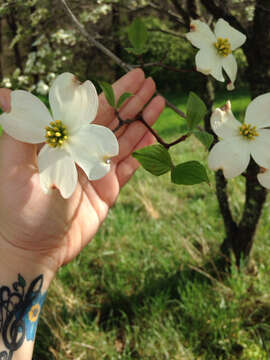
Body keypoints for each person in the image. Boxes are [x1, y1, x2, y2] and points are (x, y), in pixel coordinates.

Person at [0, 68, 165, 359]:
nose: (53, 135)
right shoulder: (50, 147)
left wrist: (22, 255)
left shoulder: (64, 135)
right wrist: (21, 252)